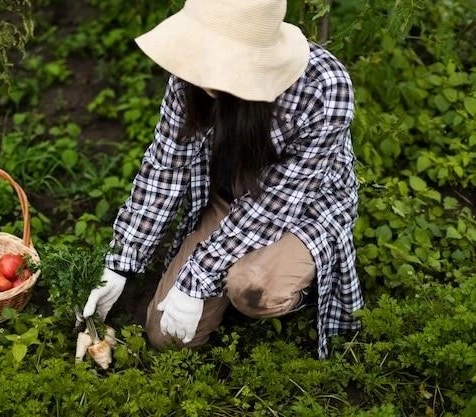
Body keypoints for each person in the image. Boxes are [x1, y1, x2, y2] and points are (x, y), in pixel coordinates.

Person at [81, 0, 364, 358]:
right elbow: (165, 169)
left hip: (303, 208)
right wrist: (120, 261)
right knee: (166, 336)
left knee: (252, 287)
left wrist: (198, 278)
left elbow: (274, 205)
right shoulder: (190, 73)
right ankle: (227, 275)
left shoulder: (322, 87)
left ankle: (300, 285)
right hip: (228, 199)